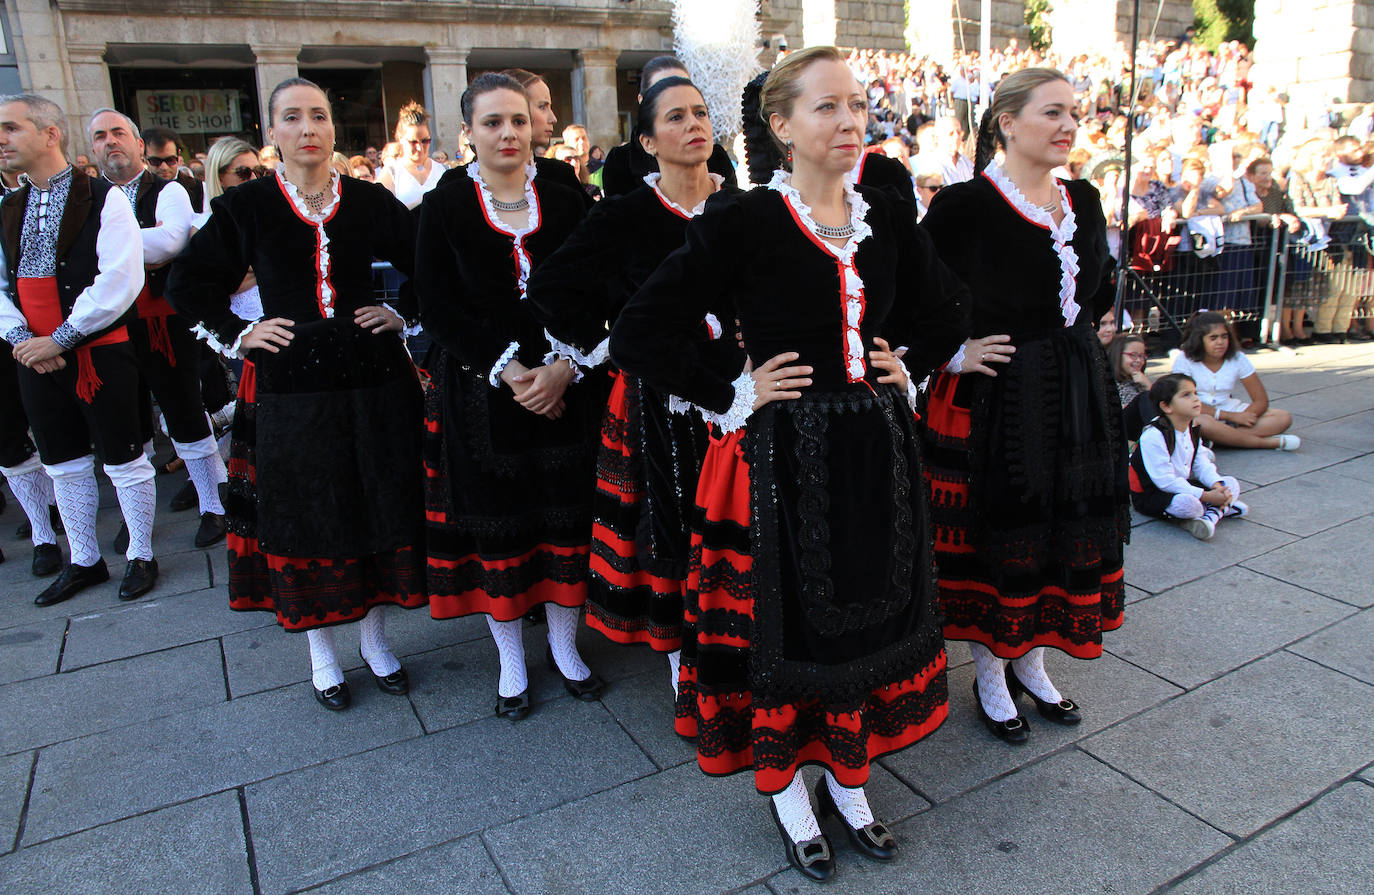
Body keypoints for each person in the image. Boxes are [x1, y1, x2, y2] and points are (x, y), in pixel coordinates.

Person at [611, 47, 967, 881]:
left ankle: (848, 776)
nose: (850, 122)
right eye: (826, 108)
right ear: (780, 125)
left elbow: (947, 303)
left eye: (857, 105)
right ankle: (789, 789)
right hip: (777, 458)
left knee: (865, 616)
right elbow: (639, 329)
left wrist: (904, 364)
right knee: (789, 629)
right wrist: (727, 388)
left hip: (873, 451)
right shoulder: (744, 221)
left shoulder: (883, 209)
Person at [166, 77, 425, 711]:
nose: (307, 128)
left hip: (372, 379)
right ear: (272, 132)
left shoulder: (369, 200)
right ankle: (321, 653)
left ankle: (375, 639)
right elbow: (188, 283)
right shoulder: (244, 206)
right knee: (306, 512)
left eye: (318, 116)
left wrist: (404, 313)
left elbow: (431, 260)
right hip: (291, 386)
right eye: (292, 117)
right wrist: (240, 332)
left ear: (333, 129)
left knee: (373, 501)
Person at [921, 67, 1130, 747]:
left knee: (1054, 527)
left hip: (1071, 389)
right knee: (998, 533)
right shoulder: (965, 208)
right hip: (996, 397)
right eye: (1052, 113)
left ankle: (1031, 661)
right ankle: (989, 670)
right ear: (1007, 122)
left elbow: (1098, 285)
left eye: (1074, 113)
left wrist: (1090, 331)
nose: (1069, 125)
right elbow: (912, 294)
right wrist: (956, 351)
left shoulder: (1086, 198)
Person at [527, 76, 739, 692]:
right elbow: (550, 290)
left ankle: (733, 636)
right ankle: (680, 658)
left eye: (700, 113)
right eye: (675, 118)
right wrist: (609, 341)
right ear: (647, 141)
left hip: (736, 390)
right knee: (670, 518)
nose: (693, 125)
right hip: (659, 394)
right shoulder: (623, 214)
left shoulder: (742, 205)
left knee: (735, 516)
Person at [415, 73, 603, 723]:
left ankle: (563, 646)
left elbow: (597, 291)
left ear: (534, 126)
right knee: (502, 527)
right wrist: (513, 371)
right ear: (468, 131)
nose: (508, 133)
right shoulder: (446, 204)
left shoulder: (565, 195)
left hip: (567, 390)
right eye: (492, 122)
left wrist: (561, 367)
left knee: (564, 519)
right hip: (482, 394)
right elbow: (435, 304)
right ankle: (511, 660)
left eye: (518, 121)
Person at [0, 93, 160, 605]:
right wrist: (23, 339)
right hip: (33, 357)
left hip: (97, 352)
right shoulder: (9, 205)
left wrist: (63, 337)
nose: (0, 140)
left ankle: (140, 553)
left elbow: (120, 278)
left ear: (49, 134)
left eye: (11, 128)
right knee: (61, 461)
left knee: (124, 457)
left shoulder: (103, 195)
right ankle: (85, 559)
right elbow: (0, 284)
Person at [88, 109, 229, 549]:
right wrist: (136, 248)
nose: (110, 142)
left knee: (185, 410)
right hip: (108, 326)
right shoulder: (87, 198)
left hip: (160, 322)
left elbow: (172, 241)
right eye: (100, 136)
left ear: (136, 144)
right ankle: (136, 518)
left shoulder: (167, 190)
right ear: (92, 147)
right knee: (127, 421)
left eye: (118, 133)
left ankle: (215, 505)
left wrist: (109, 249)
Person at [599, 55, 739, 198]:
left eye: (700, 113)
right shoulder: (621, 162)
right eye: (661, 88)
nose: (676, 93)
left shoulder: (717, 158)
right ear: (642, 100)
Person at [1129, 373, 1247, 540]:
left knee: (1231, 484)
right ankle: (1218, 510)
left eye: (1195, 393)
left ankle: (1209, 516)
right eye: (1186, 395)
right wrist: (1207, 496)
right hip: (1154, 493)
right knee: (1188, 505)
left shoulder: (1190, 427)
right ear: (1167, 407)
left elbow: (1201, 463)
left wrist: (1217, 485)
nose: (1195, 399)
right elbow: (1165, 481)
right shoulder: (1154, 435)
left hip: (1183, 485)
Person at [1170, 311, 1299, 450]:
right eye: (1213, 338)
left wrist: (1245, 417)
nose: (1220, 342)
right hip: (1200, 413)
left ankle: (1217, 439)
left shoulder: (1238, 358)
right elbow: (1183, 402)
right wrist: (1230, 417)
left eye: (1224, 337)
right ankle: (1268, 443)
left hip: (1231, 410)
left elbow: (1260, 400)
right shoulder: (1184, 360)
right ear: (1199, 340)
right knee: (1200, 423)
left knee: (1282, 417)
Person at [376, 102, 444, 211]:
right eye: (413, 142)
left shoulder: (443, 170)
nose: (419, 148)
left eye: (425, 141)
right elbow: (383, 214)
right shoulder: (391, 173)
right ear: (401, 139)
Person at [141, 125, 204, 213]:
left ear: (178, 155)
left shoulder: (200, 189)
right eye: (155, 161)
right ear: (144, 158)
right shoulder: (137, 193)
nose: (164, 167)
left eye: (170, 160)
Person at [1109, 332, 1153, 441]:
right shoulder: (1109, 381)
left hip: (1139, 428)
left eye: (1142, 356)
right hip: (1120, 429)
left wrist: (1148, 385)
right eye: (1133, 355)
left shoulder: (1139, 381)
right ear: (1118, 355)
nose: (1138, 360)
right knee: (1145, 397)